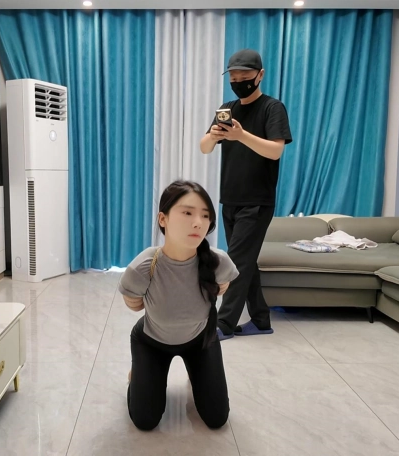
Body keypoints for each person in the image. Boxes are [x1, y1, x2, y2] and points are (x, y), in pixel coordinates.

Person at [118, 180, 239, 431]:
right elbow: (135, 305)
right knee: (145, 421)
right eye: (187, 213)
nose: (198, 222)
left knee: (217, 419)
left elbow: (222, 287)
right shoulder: (143, 266)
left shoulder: (218, 263)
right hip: (151, 341)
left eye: (205, 215)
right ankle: (137, 374)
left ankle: (197, 375)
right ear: (163, 219)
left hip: (201, 340)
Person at [199, 48, 293, 340]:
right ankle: (261, 320)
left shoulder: (272, 108)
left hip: (257, 200)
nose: (239, 82)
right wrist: (213, 136)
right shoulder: (227, 108)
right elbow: (204, 148)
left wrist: (241, 136)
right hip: (230, 199)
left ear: (260, 75)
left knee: (237, 262)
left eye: (245, 77)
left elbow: (275, 151)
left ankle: (224, 324)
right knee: (246, 261)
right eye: (234, 78)